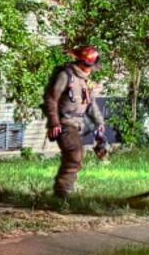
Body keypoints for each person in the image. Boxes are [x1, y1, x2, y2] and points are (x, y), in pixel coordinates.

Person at [44, 45, 108, 199]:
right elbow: (51, 98)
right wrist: (54, 122)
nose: (91, 69)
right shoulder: (66, 76)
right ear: (81, 63)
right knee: (74, 155)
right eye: (89, 66)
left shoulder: (83, 80)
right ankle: (62, 195)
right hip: (64, 122)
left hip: (77, 124)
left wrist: (100, 123)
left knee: (76, 156)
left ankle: (65, 191)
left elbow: (90, 104)